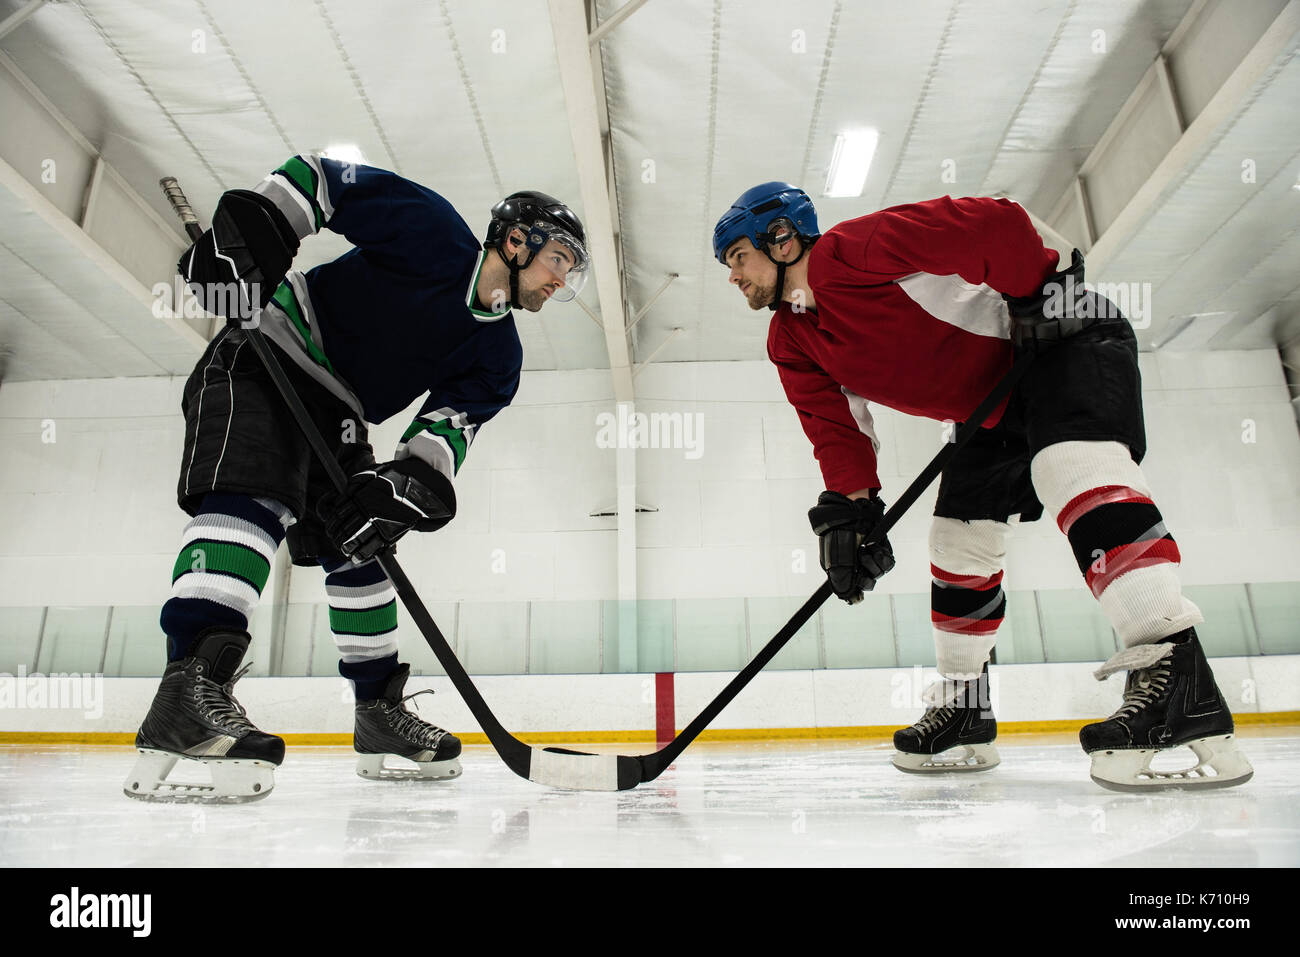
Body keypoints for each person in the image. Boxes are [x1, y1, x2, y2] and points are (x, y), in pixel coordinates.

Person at [712, 182, 1252, 792]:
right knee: (955, 542)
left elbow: (992, 223)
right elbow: (835, 429)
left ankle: (1176, 675)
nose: (733, 276)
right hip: (989, 411)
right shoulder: (790, 340)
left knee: (1072, 469)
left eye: (737, 256)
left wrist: (1041, 291)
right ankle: (966, 706)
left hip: (1065, 343)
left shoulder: (850, 251)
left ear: (782, 239)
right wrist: (852, 514)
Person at [124, 152, 588, 802]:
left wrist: (398, 493)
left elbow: (442, 438)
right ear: (515, 240)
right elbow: (321, 180)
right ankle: (190, 686)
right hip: (269, 351)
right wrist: (258, 231)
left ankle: (376, 713)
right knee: (257, 493)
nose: (560, 282)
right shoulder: (433, 230)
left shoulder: (498, 356)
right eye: (559, 260)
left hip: (339, 414)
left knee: (362, 548)